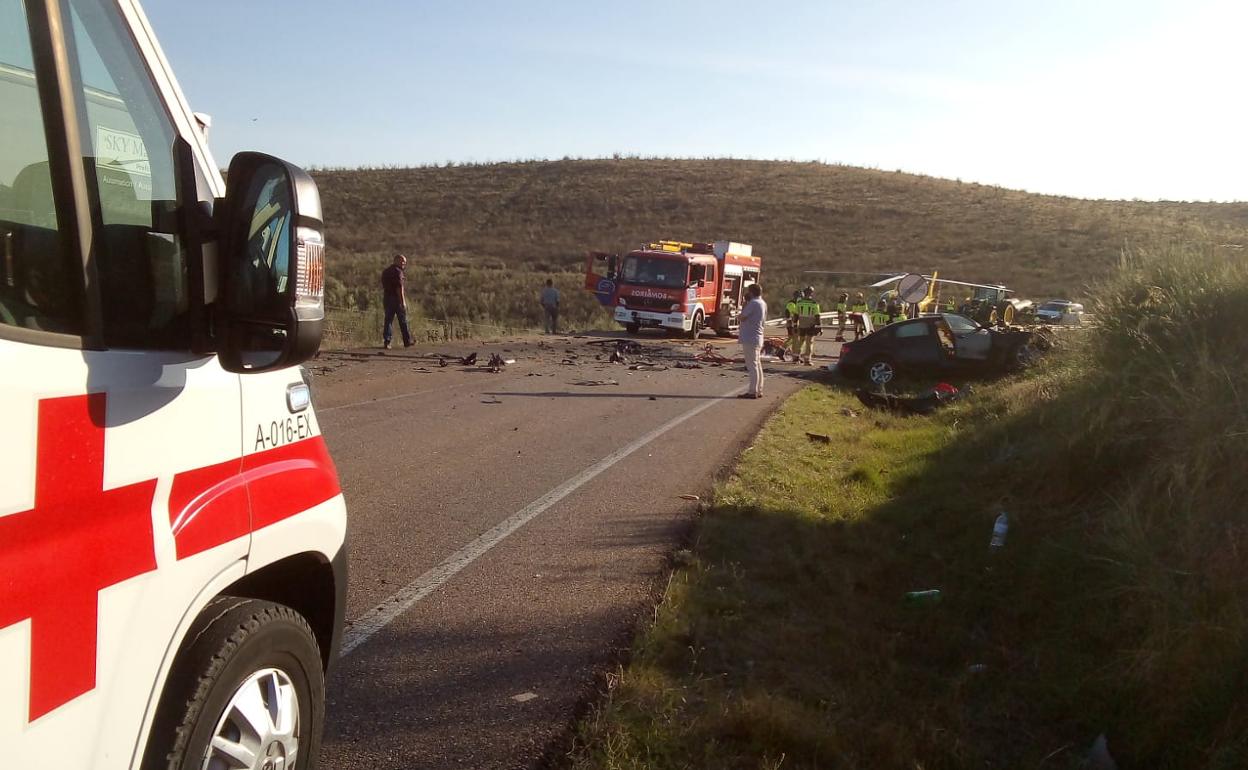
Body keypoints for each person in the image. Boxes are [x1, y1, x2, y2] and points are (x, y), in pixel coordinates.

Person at [737, 283, 767, 399]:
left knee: (752, 365)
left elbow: (742, 317)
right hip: (757, 336)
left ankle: (752, 391)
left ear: (751, 292)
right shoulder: (762, 303)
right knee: (757, 364)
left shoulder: (753, 303)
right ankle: (759, 389)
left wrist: (745, 305)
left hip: (750, 337)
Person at [381, 253, 412, 349]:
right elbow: (399, 288)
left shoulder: (385, 272)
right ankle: (407, 341)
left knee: (388, 320)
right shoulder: (398, 272)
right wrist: (402, 301)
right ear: (397, 261)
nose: (404, 264)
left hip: (387, 298)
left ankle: (387, 341)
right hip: (396, 299)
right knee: (403, 321)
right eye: (403, 262)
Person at [795, 286, 822, 365]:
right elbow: (817, 316)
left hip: (802, 324)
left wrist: (795, 325)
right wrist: (819, 327)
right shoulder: (814, 303)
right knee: (809, 342)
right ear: (811, 293)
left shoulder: (799, 303)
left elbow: (796, 315)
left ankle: (796, 357)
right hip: (811, 325)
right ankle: (807, 360)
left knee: (801, 341)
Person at [784, 289, 801, 361]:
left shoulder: (796, 303)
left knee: (793, 340)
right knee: (793, 340)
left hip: (795, 324)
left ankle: (794, 355)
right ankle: (782, 349)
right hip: (791, 324)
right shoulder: (791, 304)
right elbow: (795, 313)